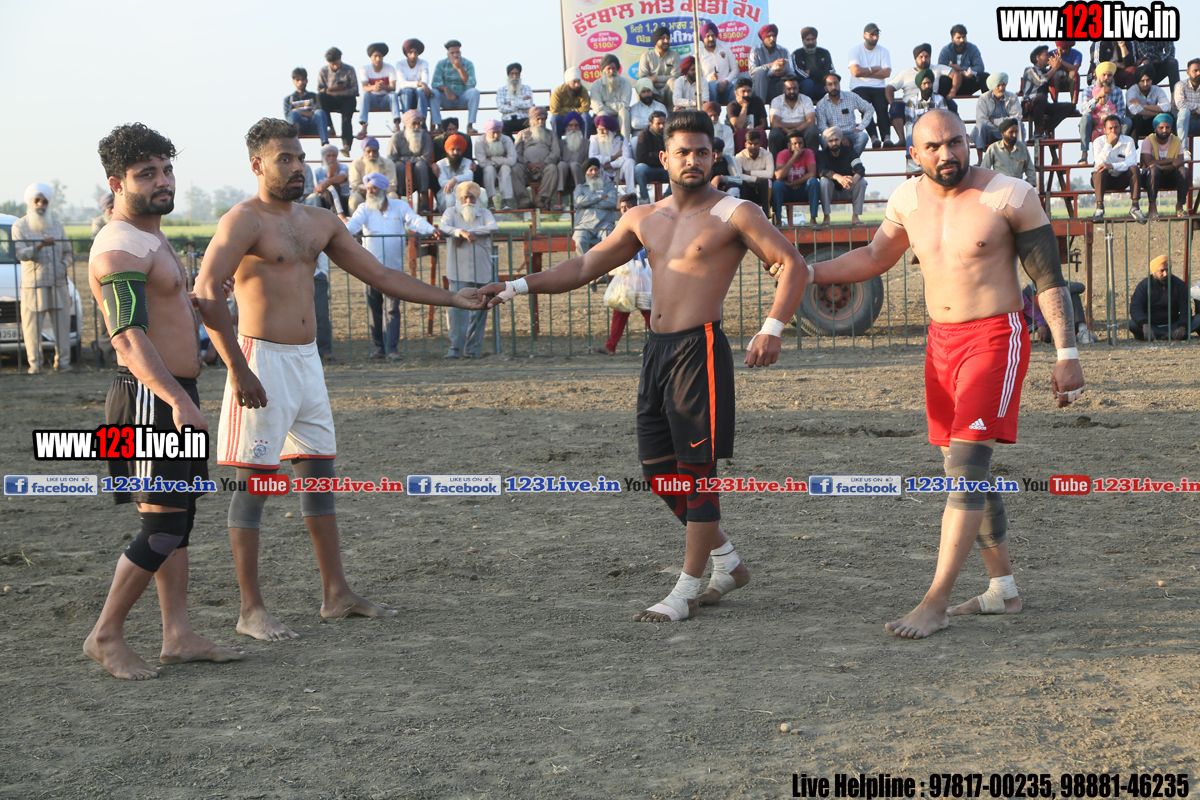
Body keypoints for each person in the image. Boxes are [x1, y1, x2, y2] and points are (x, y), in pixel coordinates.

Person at [478, 109, 811, 623]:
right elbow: (584, 265)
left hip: (699, 351)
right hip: (656, 350)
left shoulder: (735, 212)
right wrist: (515, 286)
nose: (693, 160)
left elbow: (793, 265)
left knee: (697, 475)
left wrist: (772, 328)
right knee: (659, 473)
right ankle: (728, 562)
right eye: (683, 152)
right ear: (664, 158)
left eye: (702, 152)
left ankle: (686, 590)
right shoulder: (642, 217)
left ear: (714, 156)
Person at [193, 118, 484, 641]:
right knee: (254, 485)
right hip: (260, 360)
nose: (297, 168)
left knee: (319, 475)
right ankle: (250, 610)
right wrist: (236, 367)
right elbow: (206, 290)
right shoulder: (242, 221)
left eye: (299, 158)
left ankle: (336, 593)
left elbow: (381, 275)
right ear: (257, 165)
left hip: (307, 363)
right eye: (284, 159)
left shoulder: (320, 220)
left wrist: (452, 298)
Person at [803, 109, 1084, 638]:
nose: (947, 154)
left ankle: (935, 602)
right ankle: (1003, 590)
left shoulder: (1010, 195)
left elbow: (1048, 278)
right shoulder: (906, 199)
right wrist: (810, 271)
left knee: (966, 466)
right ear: (914, 153)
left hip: (994, 339)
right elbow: (874, 256)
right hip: (940, 345)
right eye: (933, 147)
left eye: (955, 142)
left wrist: (1066, 353)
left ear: (968, 141)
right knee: (964, 470)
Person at [84, 122, 244, 679]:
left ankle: (177, 636)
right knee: (160, 528)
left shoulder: (149, 237)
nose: (162, 181)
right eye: (146, 174)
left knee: (180, 520)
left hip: (171, 394)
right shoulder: (120, 246)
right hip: (150, 400)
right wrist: (176, 399)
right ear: (116, 183)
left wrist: (194, 309)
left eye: (167, 170)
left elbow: (161, 313)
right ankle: (105, 635)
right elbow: (127, 337)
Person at [342, 172, 441, 360]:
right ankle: (380, 349)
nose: (370, 192)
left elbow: (414, 220)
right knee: (374, 309)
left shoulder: (399, 206)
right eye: (368, 189)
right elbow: (352, 226)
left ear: (382, 189)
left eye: (373, 188)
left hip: (393, 271)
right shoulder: (364, 208)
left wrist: (431, 229)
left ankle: (392, 349)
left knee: (392, 310)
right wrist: (339, 233)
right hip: (369, 270)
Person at [12, 182, 73, 373]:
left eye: (44, 201)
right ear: (30, 202)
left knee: (62, 326)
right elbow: (21, 254)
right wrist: (38, 246)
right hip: (34, 285)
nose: (40, 204)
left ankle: (63, 363)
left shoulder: (57, 225)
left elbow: (68, 252)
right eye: (37, 200)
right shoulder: (20, 226)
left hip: (58, 283)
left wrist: (62, 266)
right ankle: (35, 365)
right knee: (32, 329)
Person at [439, 181, 498, 358]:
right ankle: (455, 349)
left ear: (477, 198)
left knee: (480, 310)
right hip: (458, 271)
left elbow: (493, 227)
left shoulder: (484, 213)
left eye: (471, 197)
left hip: (482, 270)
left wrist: (470, 232)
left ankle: (473, 350)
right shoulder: (451, 212)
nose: (468, 201)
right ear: (459, 198)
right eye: (464, 197)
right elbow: (443, 227)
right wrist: (461, 233)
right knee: (456, 310)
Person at [594, 194, 652, 355]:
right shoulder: (620, 226)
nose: (624, 210)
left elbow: (649, 248)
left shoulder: (644, 225)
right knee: (621, 309)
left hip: (642, 274)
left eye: (627, 207)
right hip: (627, 274)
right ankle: (610, 346)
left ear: (634, 207)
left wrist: (635, 255)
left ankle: (657, 346)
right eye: (622, 207)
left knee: (647, 311)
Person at [888, 45, 958, 145]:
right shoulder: (905, 73)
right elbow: (889, 88)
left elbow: (955, 74)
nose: (924, 59)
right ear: (915, 59)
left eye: (927, 56)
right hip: (909, 106)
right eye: (921, 57)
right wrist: (891, 102)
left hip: (932, 103)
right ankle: (902, 139)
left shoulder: (937, 68)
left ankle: (952, 137)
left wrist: (953, 91)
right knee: (895, 107)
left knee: (951, 104)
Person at [1128, 256, 1200, 340]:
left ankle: (1163, 335)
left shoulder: (1179, 284)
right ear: (1154, 272)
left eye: (1168, 270)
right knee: (1132, 324)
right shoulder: (1144, 286)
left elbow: (1185, 309)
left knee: (1198, 319)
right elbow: (1135, 308)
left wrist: (1182, 327)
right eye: (1162, 271)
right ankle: (1167, 335)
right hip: (1152, 324)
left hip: (1174, 323)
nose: (1166, 274)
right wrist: (1145, 325)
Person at [1090, 114, 1145, 221]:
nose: (1113, 130)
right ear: (1105, 130)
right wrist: (1108, 143)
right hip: (1103, 180)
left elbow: (1131, 162)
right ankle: (1099, 208)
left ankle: (1135, 207)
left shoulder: (1128, 141)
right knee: (1100, 171)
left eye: (1116, 127)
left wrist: (1112, 166)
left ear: (1120, 128)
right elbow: (1100, 163)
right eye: (1110, 128)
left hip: (1122, 179)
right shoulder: (1098, 142)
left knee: (1135, 169)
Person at [847, 23, 892, 149]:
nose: (875, 37)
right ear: (864, 35)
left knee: (882, 109)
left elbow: (886, 73)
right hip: (859, 86)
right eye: (872, 34)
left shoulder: (884, 51)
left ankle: (887, 138)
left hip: (879, 87)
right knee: (866, 109)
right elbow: (855, 72)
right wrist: (873, 69)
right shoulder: (855, 50)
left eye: (877, 34)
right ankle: (874, 138)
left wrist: (865, 72)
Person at [513, 106, 565, 211]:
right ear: (531, 119)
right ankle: (524, 200)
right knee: (515, 169)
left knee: (553, 169)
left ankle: (541, 199)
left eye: (543, 119)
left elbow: (555, 152)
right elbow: (516, 153)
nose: (541, 122)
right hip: (526, 168)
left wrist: (543, 163)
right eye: (538, 119)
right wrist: (528, 164)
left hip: (544, 168)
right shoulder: (522, 133)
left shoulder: (551, 134)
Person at [1139, 114, 1192, 218]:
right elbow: (1148, 163)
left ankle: (1179, 206)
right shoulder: (1148, 141)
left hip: (1169, 176)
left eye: (1167, 127)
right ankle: (1152, 207)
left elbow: (1180, 162)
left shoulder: (1176, 141)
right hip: (1150, 178)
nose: (1164, 130)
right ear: (1155, 129)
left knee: (1184, 171)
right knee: (1153, 170)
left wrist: (1162, 167)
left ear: (1171, 128)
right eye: (1161, 127)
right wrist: (1171, 160)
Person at [1077, 61, 1130, 163]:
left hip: (1112, 122)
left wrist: (1109, 120)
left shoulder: (1117, 91)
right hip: (1094, 121)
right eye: (1104, 75)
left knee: (1127, 121)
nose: (1106, 78)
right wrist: (1097, 97)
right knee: (1086, 118)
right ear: (1098, 76)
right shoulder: (1088, 90)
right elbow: (1084, 110)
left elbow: (1121, 112)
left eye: (1109, 75)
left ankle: (1117, 151)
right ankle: (1084, 154)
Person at [816, 127, 867, 225]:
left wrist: (854, 179)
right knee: (823, 181)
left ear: (840, 140)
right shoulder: (821, 155)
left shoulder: (850, 152)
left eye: (836, 140)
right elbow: (821, 171)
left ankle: (855, 217)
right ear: (826, 142)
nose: (834, 143)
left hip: (847, 188)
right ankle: (826, 217)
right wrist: (838, 177)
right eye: (830, 141)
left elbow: (860, 168)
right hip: (831, 192)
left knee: (861, 181)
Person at [1021, 47, 1074, 140]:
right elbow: (1040, 81)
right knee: (1041, 98)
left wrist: (1060, 63)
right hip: (1029, 104)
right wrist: (1054, 68)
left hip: (1043, 105)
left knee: (1070, 107)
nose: (1049, 57)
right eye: (1046, 55)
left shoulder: (1048, 71)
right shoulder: (1029, 70)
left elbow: (1063, 76)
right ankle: (1038, 132)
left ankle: (1047, 128)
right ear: (1038, 57)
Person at [814, 73, 872, 157]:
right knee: (822, 138)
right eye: (830, 84)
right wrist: (839, 136)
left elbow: (869, 109)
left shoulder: (851, 96)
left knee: (863, 136)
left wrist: (860, 128)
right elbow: (822, 126)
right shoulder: (821, 104)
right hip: (832, 136)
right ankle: (834, 162)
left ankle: (851, 160)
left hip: (851, 134)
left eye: (836, 83)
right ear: (825, 88)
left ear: (839, 84)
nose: (834, 87)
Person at [572, 157, 618, 261]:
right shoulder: (580, 188)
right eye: (590, 170)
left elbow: (611, 202)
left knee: (609, 241)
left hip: (604, 224)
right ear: (586, 173)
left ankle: (605, 268)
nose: (594, 173)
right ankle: (585, 266)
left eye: (596, 169)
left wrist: (587, 203)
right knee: (579, 240)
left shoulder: (609, 187)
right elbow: (578, 201)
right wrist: (599, 197)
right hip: (584, 225)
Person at [431, 40, 481, 134]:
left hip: (462, 98)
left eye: (457, 52)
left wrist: (460, 68)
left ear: (460, 52)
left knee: (475, 92)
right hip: (447, 98)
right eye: (452, 53)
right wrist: (446, 89)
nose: (455, 55)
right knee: (433, 92)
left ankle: (470, 125)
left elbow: (472, 84)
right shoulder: (441, 64)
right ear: (448, 54)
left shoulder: (468, 63)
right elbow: (434, 83)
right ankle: (439, 125)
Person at [771, 129, 820, 226]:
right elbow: (779, 176)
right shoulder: (782, 154)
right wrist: (793, 158)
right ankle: (778, 220)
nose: (798, 146)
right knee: (777, 184)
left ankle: (813, 219)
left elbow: (812, 173)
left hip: (802, 190)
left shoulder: (808, 153)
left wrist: (791, 183)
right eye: (795, 144)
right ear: (789, 145)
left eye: (800, 143)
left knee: (814, 182)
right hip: (787, 191)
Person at [317, 47, 359, 156]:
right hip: (330, 98)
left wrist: (341, 91)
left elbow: (355, 90)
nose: (335, 66)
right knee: (320, 97)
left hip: (346, 99)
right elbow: (320, 89)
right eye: (332, 64)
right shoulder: (323, 71)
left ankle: (347, 146)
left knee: (346, 120)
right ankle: (330, 127)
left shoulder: (349, 69)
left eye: (336, 63)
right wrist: (331, 89)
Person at [388, 109, 434, 203]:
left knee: (421, 165)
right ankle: (398, 199)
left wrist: (403, 158)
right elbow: (392, 158)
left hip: (419, 173)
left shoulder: (425, 137)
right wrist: (413, 160)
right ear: (406, 124)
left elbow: (425, 159)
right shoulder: (397, 137)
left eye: (419, 123)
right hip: (402, 173)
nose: (417, 127)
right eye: (414, 124)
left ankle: (424, 200)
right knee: (398, 166)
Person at [357, 43, 400, 140]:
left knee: (393, 94)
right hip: (372, 100)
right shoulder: (365, 68)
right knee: (364, 94)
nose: (378, 59)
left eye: (380, 56)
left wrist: (383, 87)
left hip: (385, 100)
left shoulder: (389, 68)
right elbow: (364, 87)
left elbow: (393, 87)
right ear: (371, 57)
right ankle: (364, 125)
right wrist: (374, 87)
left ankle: (397, 125)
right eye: (375, 56)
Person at [767, 75, 818, 156]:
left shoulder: (806, 99)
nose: (792, 91)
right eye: (789, 89)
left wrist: (794, 131)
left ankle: (813, 161)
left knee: (812, 131)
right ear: (784, 89)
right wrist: (791, 130)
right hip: (784, 134)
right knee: (774, 133)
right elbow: (774, 124)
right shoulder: (776, 101)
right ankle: (775, 163)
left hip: (802, 133)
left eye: (795, 88)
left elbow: (811, 122)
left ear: (798, 88)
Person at [974, 73, 1021, 162]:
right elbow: (982, 120)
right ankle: (980, 160)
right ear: (992, 87)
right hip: (990, 132)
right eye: (998, 85)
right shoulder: (983, 98)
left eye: (1003, 85)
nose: (1001, 88)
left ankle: (1019, 158)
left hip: (1008, 131)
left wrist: (995, 121)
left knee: (1019, 125)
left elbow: (1016, 118)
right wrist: (1003, 123)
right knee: (980, 126)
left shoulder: (1012, 97)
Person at [348, 137, 399, 211]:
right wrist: (370, 190)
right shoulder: (356, 163)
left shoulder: (388, 163)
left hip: (383, 194)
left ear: (378, 151)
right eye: (368, 152)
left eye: (374, 151)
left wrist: (377, 190)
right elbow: (355, 185)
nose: (371, 154)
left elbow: (392, 186)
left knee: (393, 196)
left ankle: (393, 219)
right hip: (364, 194)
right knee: (354, 199)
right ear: (364, 151)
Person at [938, 24, 989, 96]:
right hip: (952, 84)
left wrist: (963, 70)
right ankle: (942, 102)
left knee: (985, 77)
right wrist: (955, 73)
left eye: (964, 37)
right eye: (958, 38)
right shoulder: (946, 50)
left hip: (968, 82)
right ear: (952, 39)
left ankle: (988, 101)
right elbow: (941, 69)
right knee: (943, 79)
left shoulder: (972, 48)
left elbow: (980, 67)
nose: (962, 40)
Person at [589, 115, 635, 194]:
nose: (601, 132)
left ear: (611, 130)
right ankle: (598, 196)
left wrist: (610, 165)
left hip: (619, 171)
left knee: (630, 162)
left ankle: (631, 193)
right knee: (593, 168)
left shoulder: (621, 139)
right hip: (602, 171)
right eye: (599, 129)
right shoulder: (595, 139)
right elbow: (592, 158)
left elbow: (626, 157)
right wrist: (612, 157)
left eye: (604, 129)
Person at [981, 119, 1035, 186]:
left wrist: (1027, 185)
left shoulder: (1022, 148)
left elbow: (1030, 171)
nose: (1014, 135)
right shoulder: (993, 148)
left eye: (1016, 132)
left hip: (1017, 187)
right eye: (1011, 132)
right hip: (1000, 187)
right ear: (1003, 134)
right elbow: (984, 171)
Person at [478, 119, 518, 210]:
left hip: (502, 166)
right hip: (488, 167)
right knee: (489, 169)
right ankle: (490, 202)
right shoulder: (480, 141)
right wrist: (503, 159)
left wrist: (493, 159)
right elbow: (482, 162)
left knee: (506, 168)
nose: (496, 136)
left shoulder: (507, 140)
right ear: (487, 133)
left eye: (498, 132)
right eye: (493, 133)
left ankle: (505, 202)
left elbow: (512, 160)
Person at [284, 67, 330, 145]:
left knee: (320, 112)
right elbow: (289, 117)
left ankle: (325, 143)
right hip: (299, 127)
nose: (300, 82)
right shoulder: (288, 99)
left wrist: (299, 111)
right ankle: (292, 143)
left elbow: (317, 114)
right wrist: (307, 113)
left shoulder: (314, 97)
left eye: (303, 79)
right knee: (294, 114)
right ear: (294, 81)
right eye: (298, 80)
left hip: (313, 126)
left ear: (306, 80)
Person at [591, 55, 633, 139]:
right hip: (605, 115)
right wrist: (617, 106)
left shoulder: (625, 83)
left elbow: (625, 105)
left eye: (614, 68)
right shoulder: (596, 85)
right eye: (608, 69)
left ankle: (625, 143)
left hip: (619, 117)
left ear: (617, 69)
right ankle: (604, 143)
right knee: (602, 114)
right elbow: (598, 108)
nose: (612, 71)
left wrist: (607, 104)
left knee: (624, 112)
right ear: (603, 70)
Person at [698, 21, 740, 105]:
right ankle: (711, 110)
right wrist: (710, 79)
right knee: (711, 85)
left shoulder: (725, 49)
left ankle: (732, 111)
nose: (711, 39)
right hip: (709, 89)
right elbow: (697, 76)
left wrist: (725, 81)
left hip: (726, 86)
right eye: (707, 36)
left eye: (713, 35)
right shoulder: (699, 53)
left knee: (736, 83)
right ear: (703, 38)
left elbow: (735, 69)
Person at [748, 23, 792, 104]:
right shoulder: (756, 50)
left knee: (790, 78)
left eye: (774, 36)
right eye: (769, 36)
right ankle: (760, 108)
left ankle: (785, 110)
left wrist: (784, 70)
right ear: (763, 38)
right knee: (760, 72)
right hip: (761, 86)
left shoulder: (783, 51)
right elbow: (752, 71)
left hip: (779, 84)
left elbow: (791, 72)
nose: (772, 39)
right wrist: (770, 65)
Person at [435, 133, 479, 211]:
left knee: (467, 196)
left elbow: (469, 177)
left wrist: (454, 180)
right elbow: (442, 182)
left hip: (465, 193)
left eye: (458, 150)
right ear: (447, 150)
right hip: (446, 194)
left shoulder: (467, 162)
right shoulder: (440, 164)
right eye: (453, 149)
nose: (455, 152)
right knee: (450, 197)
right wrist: (458, 185)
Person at [1126, 65, 1172, 139]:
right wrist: (1157, 113)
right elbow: (1135, 110)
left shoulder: (1157, 90)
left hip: (1152, 123)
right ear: (1138, 81)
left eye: (1148, 80)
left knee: (1168, 115)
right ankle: (1134, 144)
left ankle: (1171, 143)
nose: (1145, 84)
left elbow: (1167, 107)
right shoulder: (1132, 90)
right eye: (1142, 81)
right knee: (1137, 117)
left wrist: (1142, 106)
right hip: (1137, 125)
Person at [634, 111, 670, 205]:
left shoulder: (669, 135)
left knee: (675, 167)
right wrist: (662, 156)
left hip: (665, 169)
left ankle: (668, 197)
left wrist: (652, 154)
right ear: (651, 124)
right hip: (649, 170)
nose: (662, 126)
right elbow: (641, 158)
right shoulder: (643, 135)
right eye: (658, 124)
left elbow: (672, 156)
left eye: (664, 123)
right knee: (639, 169)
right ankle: (644, 199)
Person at [638, 26, 679, 108]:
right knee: (641, 83)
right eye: (662, 38)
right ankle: (644, 110)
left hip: (667, 90)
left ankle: (673, 111)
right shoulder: (646, 56)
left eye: (668, 38)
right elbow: (644, 78)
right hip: (652, 89)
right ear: (656, 40)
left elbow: (675, 76)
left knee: (673, 82)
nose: (666, 41)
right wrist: (662, 82)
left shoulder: (675, 55)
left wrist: (655, 79)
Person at [734, 129, 772, 216]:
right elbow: (738, 177)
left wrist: (750, 173)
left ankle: (766, 217)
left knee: (765, 182)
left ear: (760, 144)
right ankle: (744, 217)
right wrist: (755, 179)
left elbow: (770, 174)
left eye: (756, 144)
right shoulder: (739, 156)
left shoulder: (767, 154)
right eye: (750, 144)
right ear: (746, 144)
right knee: (742, 184)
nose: (753, 147)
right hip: (747, 190)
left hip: (761, 190)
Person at [792, 27, 834, 103]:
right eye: (808, 40)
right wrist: (820, 74)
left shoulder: (824, 53)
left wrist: (811, 72)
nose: (811, 42)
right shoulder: (797, 54)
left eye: (813, 39)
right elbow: (799, 73)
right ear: (803, 40)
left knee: (833, 85)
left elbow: (830, 72)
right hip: (805, 87)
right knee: (808, 83)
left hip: (821, 86)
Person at [726, 77, 767, 153]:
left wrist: (754, 130)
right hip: (740, 136)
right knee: (741, 132)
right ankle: (739, 158)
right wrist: (745, 106)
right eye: (743, 91)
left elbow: (764, 124)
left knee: (761, 131)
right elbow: (738, 126)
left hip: (754, 132)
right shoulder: (732, 106)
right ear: (736, 93)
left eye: (749, 91)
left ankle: (763, 156)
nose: (747, 94)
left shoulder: (757, 101)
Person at [396, 39, 433, 122]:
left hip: (419, 91)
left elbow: (425, 81)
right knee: (406, 91)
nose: (413, 55)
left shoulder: (423, 63)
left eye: (415, 52)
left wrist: (422, 84)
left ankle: (421, 121)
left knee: (421, 91)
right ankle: (407, 121)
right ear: (406, 53)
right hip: (407, 91)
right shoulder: (400, 64)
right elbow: (403, 84)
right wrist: (420, 83)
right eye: (410, 52)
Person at [550, 68, 592, 136]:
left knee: (586, 116)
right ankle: (556, 142)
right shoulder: (558, 92)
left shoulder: (583, 91)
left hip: (578, 120)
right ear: (567, 82)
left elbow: (585, 109)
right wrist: (575, 111)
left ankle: (585, 141)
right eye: (574, 82)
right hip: (563, 120)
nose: (577, 85)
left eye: (578, 82)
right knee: (555, 118)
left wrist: (566, 110)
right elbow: (555, 111)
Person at [497, 62, 534, 136]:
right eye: (512, 74)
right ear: (508, 75)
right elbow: (501, 108)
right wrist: (520, 105)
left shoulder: (526, 88)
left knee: (533, 128)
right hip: (508, 119)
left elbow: (529, 104)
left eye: (517, 74)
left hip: (524, 119)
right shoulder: (501, 90)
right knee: (502, 129)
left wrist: (511, 103)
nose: (515, 76)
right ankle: (512, 144)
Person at [312, 143, 350, 215]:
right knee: (328, 190)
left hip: (344, 199)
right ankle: (338, 214)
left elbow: (341, 178)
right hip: (327, 200)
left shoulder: (343, 166)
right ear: (324, 157)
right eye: (328, 156)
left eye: (334, 155)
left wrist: (327, 181)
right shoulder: (319, 171)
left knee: (335, 186)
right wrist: (330, 173)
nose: (331, 158)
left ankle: (339, 214)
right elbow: (322, 189)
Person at [559, 111, 590, 197]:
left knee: (574, 165)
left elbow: (587, 161)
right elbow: (558, 158)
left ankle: (580, 195)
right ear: (567, 127)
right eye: (570, 125)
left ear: (580, 127)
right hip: (564, 175)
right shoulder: (561, 143)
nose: (573, 128)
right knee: (561, 165)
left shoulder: (586, 143)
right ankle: (559, 195)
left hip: (580, 174)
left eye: (576, 125)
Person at [1174, 58, 1200, 142]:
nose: (1198, 73)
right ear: (1188, 72)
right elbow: (1181, 105)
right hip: (1184, 122)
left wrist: (1193, 110)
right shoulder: (1181, 85)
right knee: (1184, 112)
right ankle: (1183, 148)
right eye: (1195, 71)